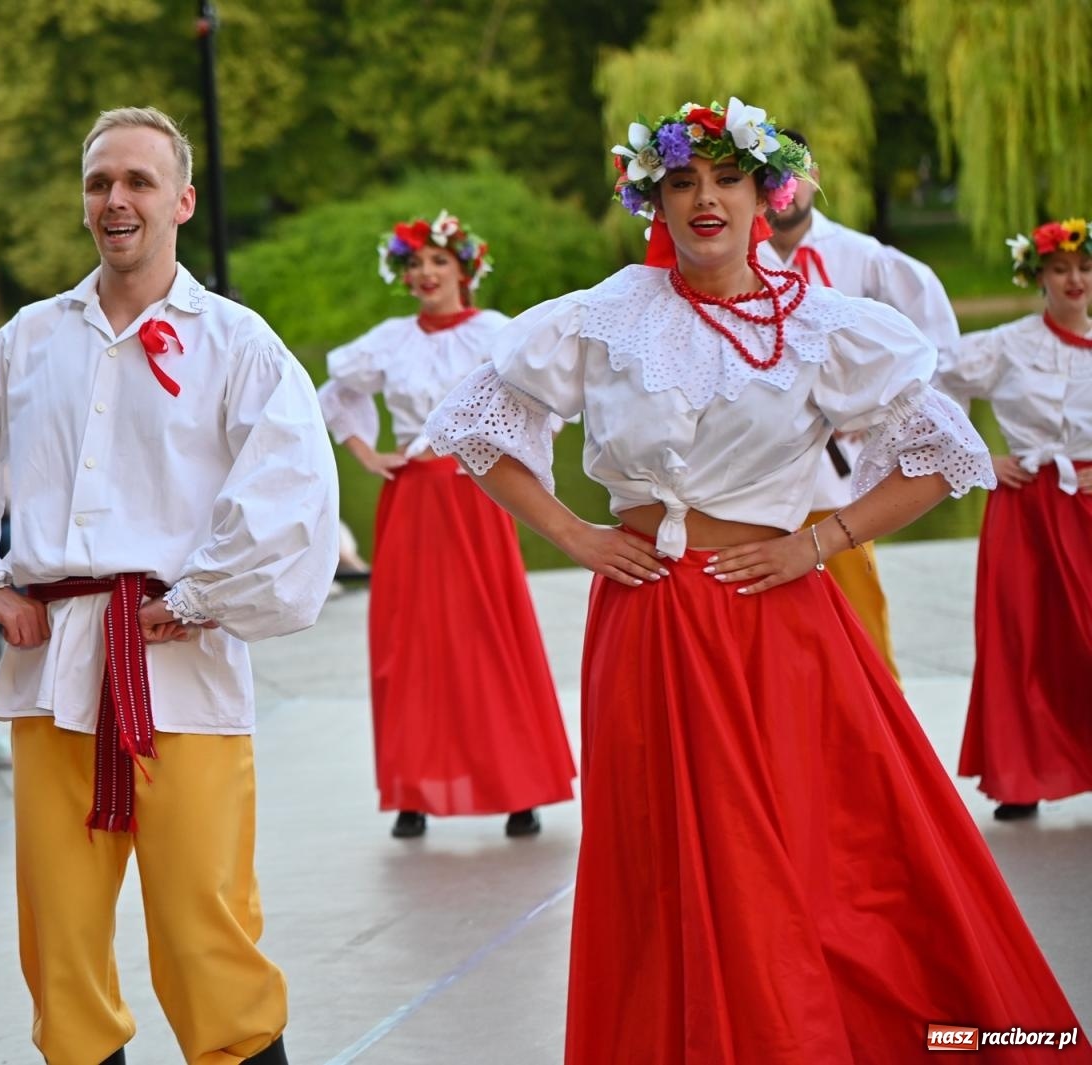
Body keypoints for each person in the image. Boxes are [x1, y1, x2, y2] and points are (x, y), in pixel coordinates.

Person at [426, 97, 1088, 1063]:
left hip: (779, 616)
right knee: (668, 866)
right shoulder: (601, 316)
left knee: (829, 855)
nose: (705, 199)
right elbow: (478, 428)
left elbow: (942, 455)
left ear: (766, 196)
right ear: (653, 197)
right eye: (682, 181)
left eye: (727, 179)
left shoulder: (826, 323)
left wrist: (822, 541)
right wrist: (573, 531)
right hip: (648, 616)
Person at [0, 106, 338, 1065]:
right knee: (60, 931)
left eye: (136, 181)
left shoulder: (236, 342)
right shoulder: (28, 340)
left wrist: (208, 593)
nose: (115, 199)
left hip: (182, 662)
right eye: (98, 183)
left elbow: (293, 488)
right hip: (56, 665)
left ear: (183, 199)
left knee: (203, 917)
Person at [319, 210, 574, 838]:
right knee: (411, 641)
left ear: (465, 267)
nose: (427, 274)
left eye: (438, 261)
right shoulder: (389, 339)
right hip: (411, 498)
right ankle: (414, 788)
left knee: (490, 629)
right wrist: (366, 451)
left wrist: (505, 452)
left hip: (477, 493)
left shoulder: (497, 332)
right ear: (403, 277)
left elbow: (547, 400)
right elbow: (336, 392)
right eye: (415, 265)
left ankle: (520, 787)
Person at [758, 128, 962, 679]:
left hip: (834, 483)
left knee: (859, 631)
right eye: (771, 176)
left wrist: (880, 423)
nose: (786, 188)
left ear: (814, 177)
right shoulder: (730, 261)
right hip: (749, 484)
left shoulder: (861, 257)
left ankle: (882, 742)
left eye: (794, 173)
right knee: (767, 643)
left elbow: (934, 343)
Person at [936, 216, 1092, 821]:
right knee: (1021, 640)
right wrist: (978, 458)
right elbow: (926, 386)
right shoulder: (1006, 344)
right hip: (1025, 507)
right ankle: (1020, 775)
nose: (1074, 279)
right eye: (1060, 269)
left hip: (1086, 505)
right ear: (1039, 276)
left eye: (1083, 268)